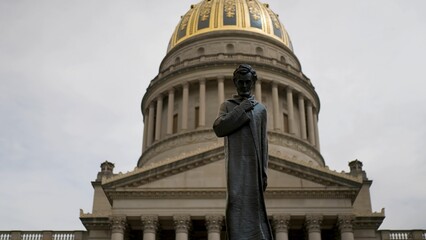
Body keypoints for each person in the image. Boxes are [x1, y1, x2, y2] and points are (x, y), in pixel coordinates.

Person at [213, 64, 273, 240]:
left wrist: (264, 172)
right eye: (240, 83)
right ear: (235, 83)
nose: (244, 86)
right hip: (236, 164)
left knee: (254, 210)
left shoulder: (261, 109)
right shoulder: (227, 106)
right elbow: (219, 128)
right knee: (234, 202)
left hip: (254, 166)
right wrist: (242, 108)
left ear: (253, 82)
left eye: (247, 82)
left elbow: (264, 142)